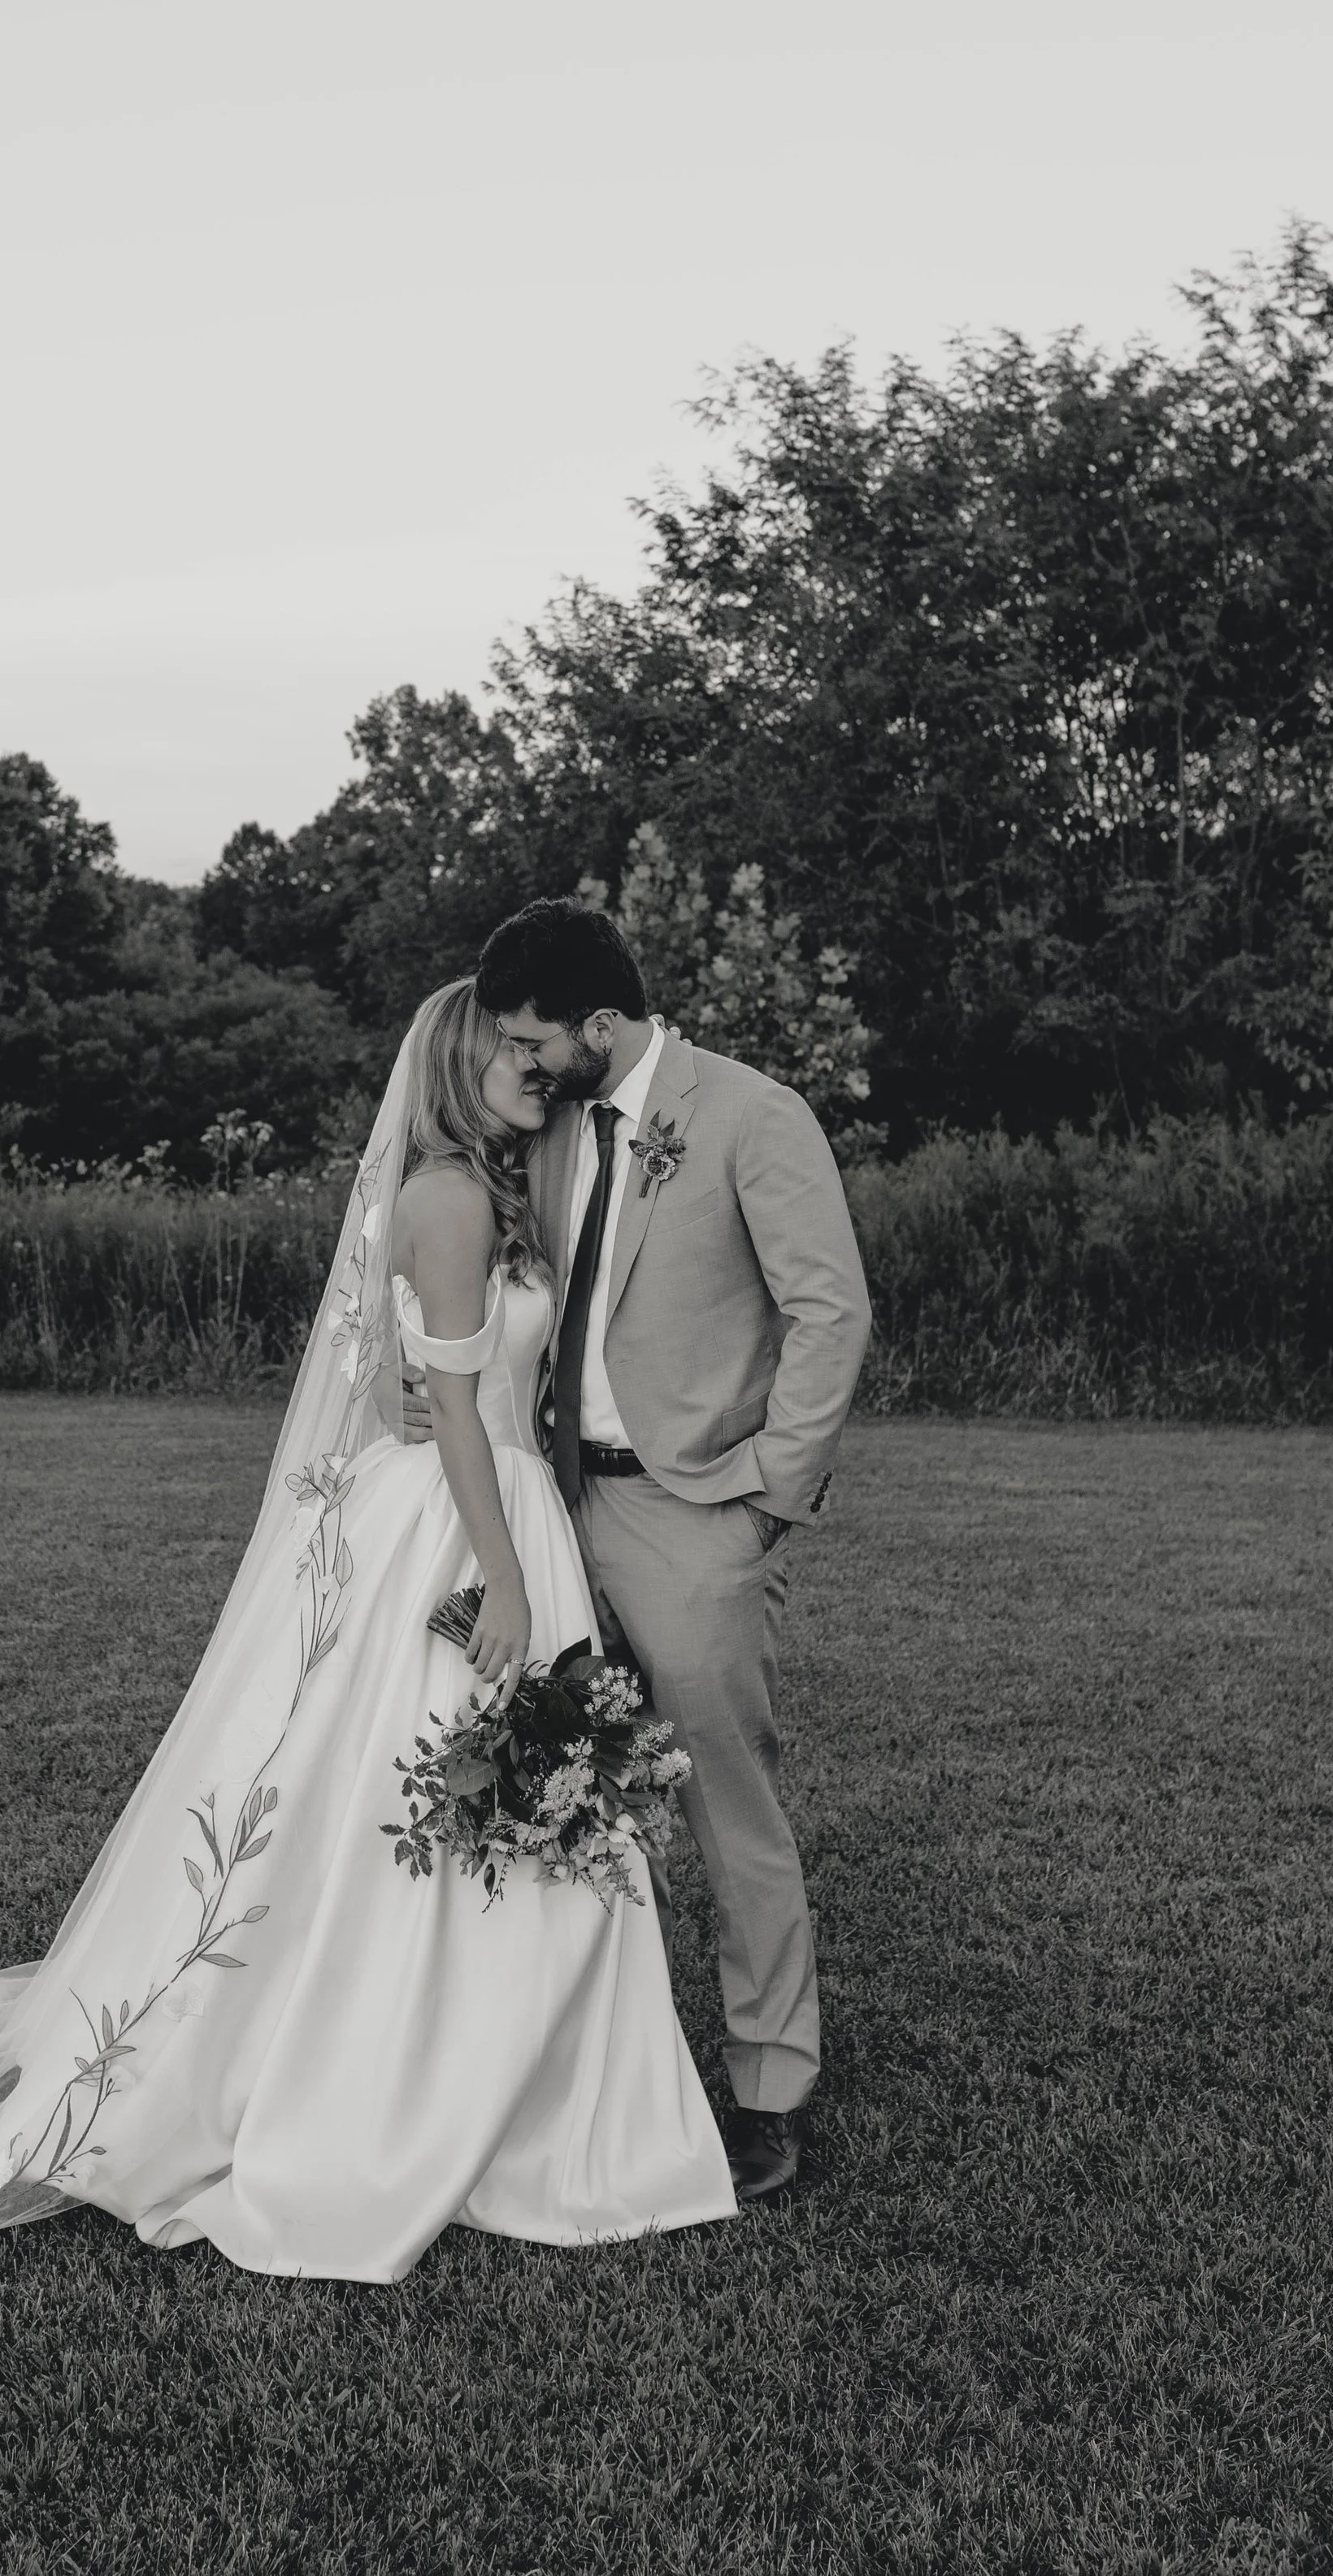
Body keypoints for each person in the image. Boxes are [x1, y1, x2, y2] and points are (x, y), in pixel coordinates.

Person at [0, 979, 734, 2282]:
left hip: (499, 1505)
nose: (539, 1065)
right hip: (465, 1525)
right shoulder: (452, 1199)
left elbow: (462, 1382)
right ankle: (428, 2091)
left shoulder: (506, 1186)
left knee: (460, 1791)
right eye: (513, 1050)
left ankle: (529, 2087)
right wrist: (508, 1584)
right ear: (460, 1065)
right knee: (412, 1780)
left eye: (543, 1046)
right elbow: (455, 1412)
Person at [472, 899, 872, 2201]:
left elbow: (831, 1311)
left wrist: (766, 1499)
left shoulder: (755, 1114)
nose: (524, 1062)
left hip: (695, 1512)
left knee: (724, 1802)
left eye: (540, 1039)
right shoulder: (548, 1124)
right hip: (553, 1499)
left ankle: (768, 2084)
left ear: (602, 1025)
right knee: (547, 1771)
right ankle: (566, 2060)